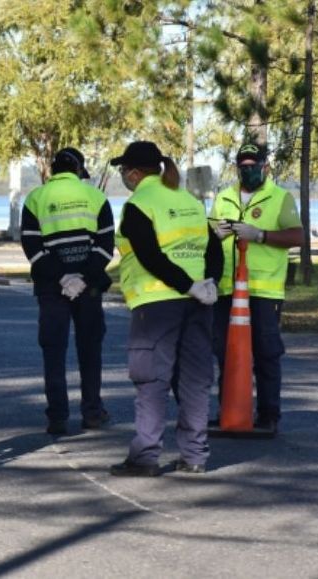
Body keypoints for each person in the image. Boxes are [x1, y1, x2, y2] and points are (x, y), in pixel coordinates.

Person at [109, 141, 223, 477]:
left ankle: (145, 457)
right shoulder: (188, 200)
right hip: (198, 303)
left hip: (157, 303)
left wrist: (186, 285)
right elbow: (213, 248)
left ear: (134, 172)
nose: (122, 176)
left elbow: (149, 255)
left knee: (152, 381)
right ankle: (195, 455)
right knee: (194, 380)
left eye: (123, 170)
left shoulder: (139, 204)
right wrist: (208, 284)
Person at [20, 147, 114, 435]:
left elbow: (32, 247)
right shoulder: (96, 197)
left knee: (54, 351)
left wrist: (62, 277)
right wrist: (83, 276)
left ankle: (58, 417)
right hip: (90, 288)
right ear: (79, 171)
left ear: (53, 170)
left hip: (51, 287)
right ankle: (93, 413)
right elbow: (105, 246)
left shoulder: (35, 198)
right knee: (90, 349)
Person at [210, 143, 303, 434]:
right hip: (227, 287)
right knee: (226, 351)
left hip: (263, 289)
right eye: (243, 165)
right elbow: (208, 234)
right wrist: (213, 232)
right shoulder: (224, 197)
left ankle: (268, 414)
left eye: (253, 164)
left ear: (265, 167)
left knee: (266, 353)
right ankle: (230, 409)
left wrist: (260, 234)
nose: (248, 170)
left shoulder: (279, 198)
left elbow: (297, 235)